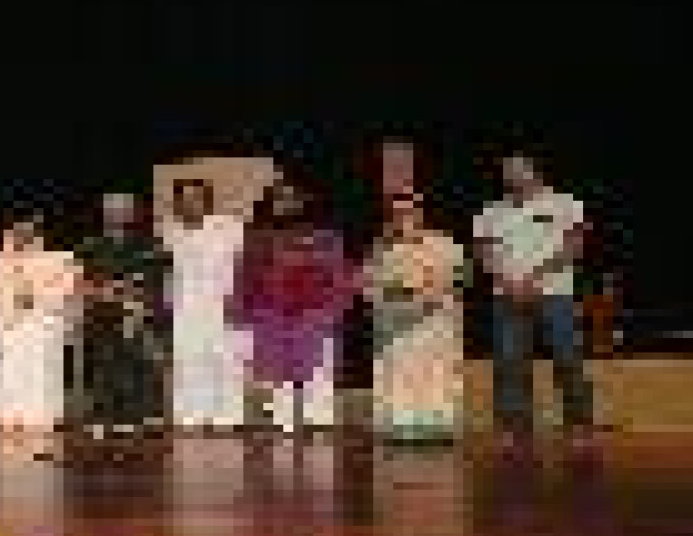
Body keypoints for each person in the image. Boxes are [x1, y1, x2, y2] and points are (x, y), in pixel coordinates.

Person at [473, 150, 597, 445]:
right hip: (507, 295)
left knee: (568, 358)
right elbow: (483, 252)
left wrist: (534, 277)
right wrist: (506, 280)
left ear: (534, 171)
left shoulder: (565, 203)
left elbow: (574, 247)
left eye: (518, 169)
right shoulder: (491, 211)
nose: (512, 176)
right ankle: (513, 427)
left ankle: (579, 424)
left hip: (555, 294)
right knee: (509, 363)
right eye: (507, 171)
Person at [228, 179, 357, 435]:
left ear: (302, 203)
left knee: (318, 376)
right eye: (279, 198)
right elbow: (243, 276)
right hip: (269, 316)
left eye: (290, 198)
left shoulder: (324, 237)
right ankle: (284, 425)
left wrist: (333, 309)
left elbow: (341, 275)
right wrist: (240, 310)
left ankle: (319, 427)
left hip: (314, 315)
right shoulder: (256, 238)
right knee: (277, 378)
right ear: (269, 203)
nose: (284, 203)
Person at [366, 189, 466, 442]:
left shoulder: (443, 243)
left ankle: (438, 428)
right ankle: (400, 428)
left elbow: (460, 277)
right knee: (399, 372)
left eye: (409, 211)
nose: (404, 217)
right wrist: (396, 297)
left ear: (420, 213)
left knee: (434, 372)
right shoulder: (381, 247)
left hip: (434, 319)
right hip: (396, 321)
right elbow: (369, 285)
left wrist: (432, 294)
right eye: (398, 213)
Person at [74, 193, 170, 436]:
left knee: (138, 363)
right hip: (101, 314)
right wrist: (103, 290)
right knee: (103, 364)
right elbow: (79, 280)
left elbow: (159, 278)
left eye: (123, 210)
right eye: (112, 210)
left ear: (132, 213)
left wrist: (136, 293)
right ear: (105, 214)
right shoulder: (89, 246)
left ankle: (142, 415)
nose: (117, 215)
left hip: (139, 313)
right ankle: (103, 414)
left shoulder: (150, 245)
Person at [160, 178, 247, 433]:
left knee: (225, 361)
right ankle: (189, 417)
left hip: (224, 303)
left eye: (196, 197)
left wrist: (239, 299)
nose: (191, 202)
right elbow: (168, 271)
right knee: (189, 361)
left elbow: (245, 266)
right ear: (178, 203)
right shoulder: (170, 231)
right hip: (185, 305)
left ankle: (228, 418)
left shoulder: (230, 227)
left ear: (207, 200)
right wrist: (167, 303)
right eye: (185, 198)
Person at [0, 217, 80, 437]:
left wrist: (35, 298)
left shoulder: (58, 260)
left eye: (26, 233)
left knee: (41, 370)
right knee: (10, 370)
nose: (21, 238)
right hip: (8, 326)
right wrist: (9, 305)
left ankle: (41, 419)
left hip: (42, 324)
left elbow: (68, 290)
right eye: (16, 233)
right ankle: (10, 418)